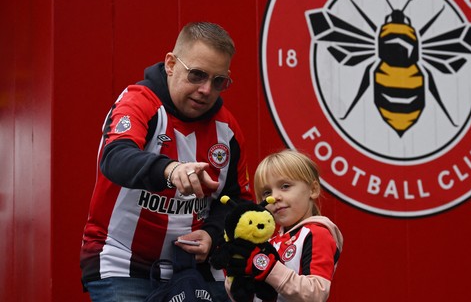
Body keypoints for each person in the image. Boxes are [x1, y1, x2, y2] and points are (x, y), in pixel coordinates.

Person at [80, 22, 253, 302]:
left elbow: (237, 202)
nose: (206, 90)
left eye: (218, 81)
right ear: (171, 64)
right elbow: (115, 157)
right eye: (197, 75)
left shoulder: (227, 129)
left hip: (196, 270)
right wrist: (170, 170)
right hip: (124, 263)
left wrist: (211, 235)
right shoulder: (139, 103)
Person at [226, 149, 344, 302]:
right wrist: (235, 279)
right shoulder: (269, 242)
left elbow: (316, 293)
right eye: (266, 193)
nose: (274, 197)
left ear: (313, 189)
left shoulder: (316, 233)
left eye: (285, 186)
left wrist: (267, 267)